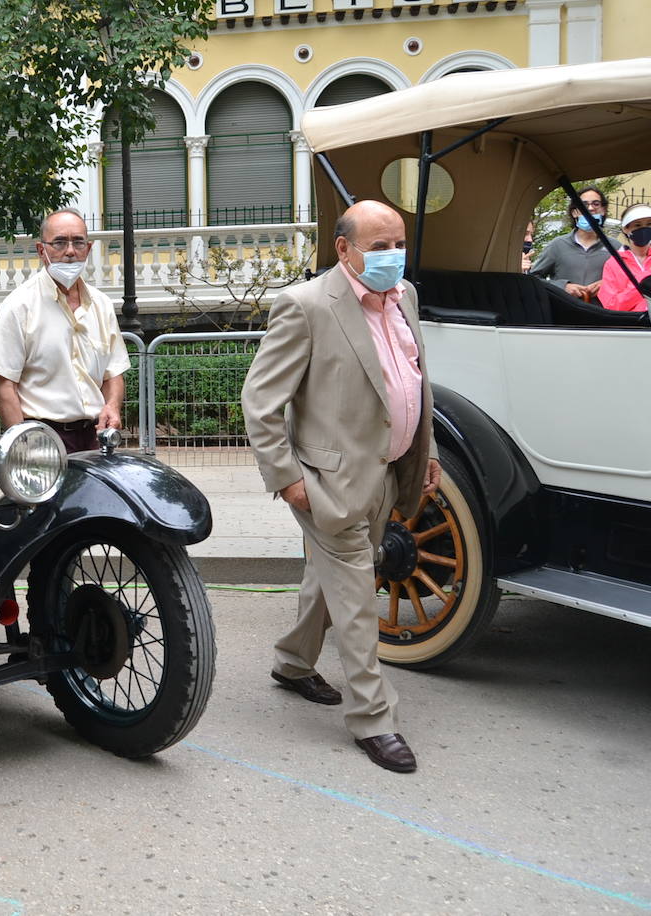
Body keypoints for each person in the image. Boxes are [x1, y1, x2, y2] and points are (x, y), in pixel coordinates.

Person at [240, 199, 440, 774]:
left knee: (328, 581)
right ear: (343, 249)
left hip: (389, 471)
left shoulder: (406, 298)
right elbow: (261, 401)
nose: (392, 256)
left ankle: (292, 663)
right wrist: (289, 480)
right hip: (327, 483)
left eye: (398, 243)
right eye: (379, 246)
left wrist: (425, 454)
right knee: (356, 597)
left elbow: (413, 382)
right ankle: (373, 718)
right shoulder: (305, 306)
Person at [0, 208, 129, 453]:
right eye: (59, 242)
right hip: (43, 439)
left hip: (95, 438)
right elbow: (5, 385)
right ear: (41, 250)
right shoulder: (20, 305)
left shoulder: (101, 305)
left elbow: (113, 373)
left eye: (78, 242)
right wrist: (23, 447)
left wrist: (112, 406)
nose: (70, 251)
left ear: (88, 249)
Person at [529, 186, 619, 303]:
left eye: (596, 204)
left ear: (603, 210)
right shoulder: (557, 246)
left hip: (604, 315)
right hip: (565, 315)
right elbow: (533, 279)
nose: (590, 208)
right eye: (584, 205)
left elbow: (630, 281)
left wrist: (607, 284)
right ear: (574, 212)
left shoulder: (615, 248)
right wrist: (562, 286)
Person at [599, 204, 651, 312]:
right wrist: (646, 277)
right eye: (637, 225)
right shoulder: (614, 264)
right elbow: (611, 307)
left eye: (649, 224)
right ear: (625, 229)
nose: (644, 229)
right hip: (632, 325)